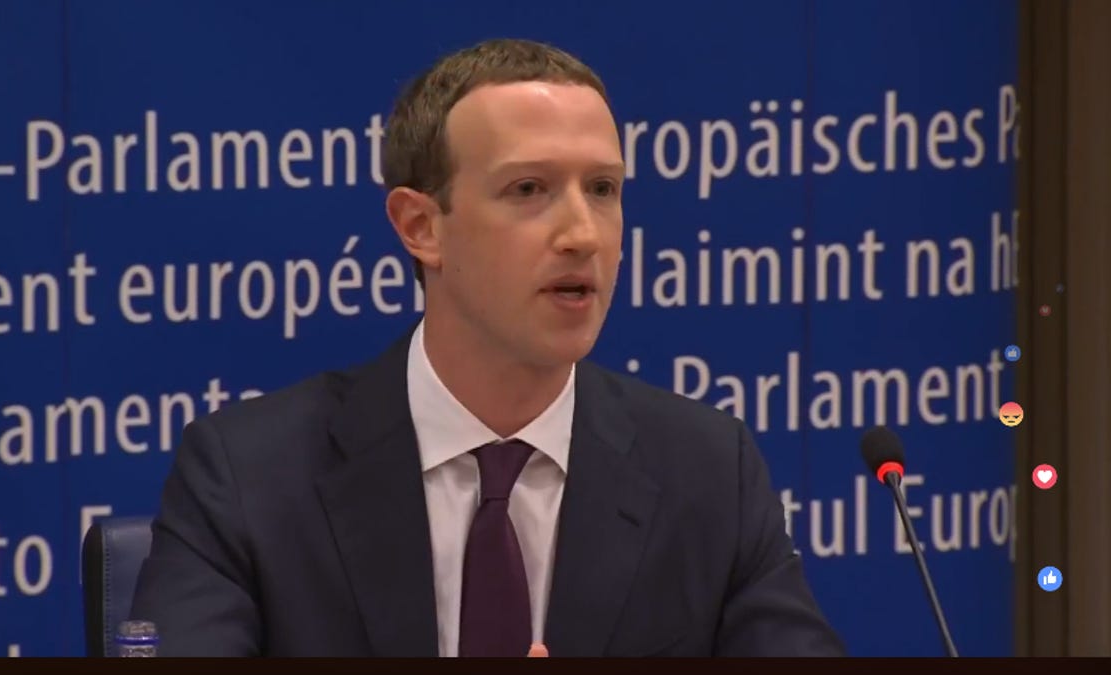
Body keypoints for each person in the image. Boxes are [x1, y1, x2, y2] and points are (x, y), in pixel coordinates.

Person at [130, 38, 846, 657]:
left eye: (603, 188)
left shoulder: (709, 474)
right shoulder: (249, 478)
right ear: (421, 226)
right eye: (529, 188)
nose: (583, 234)